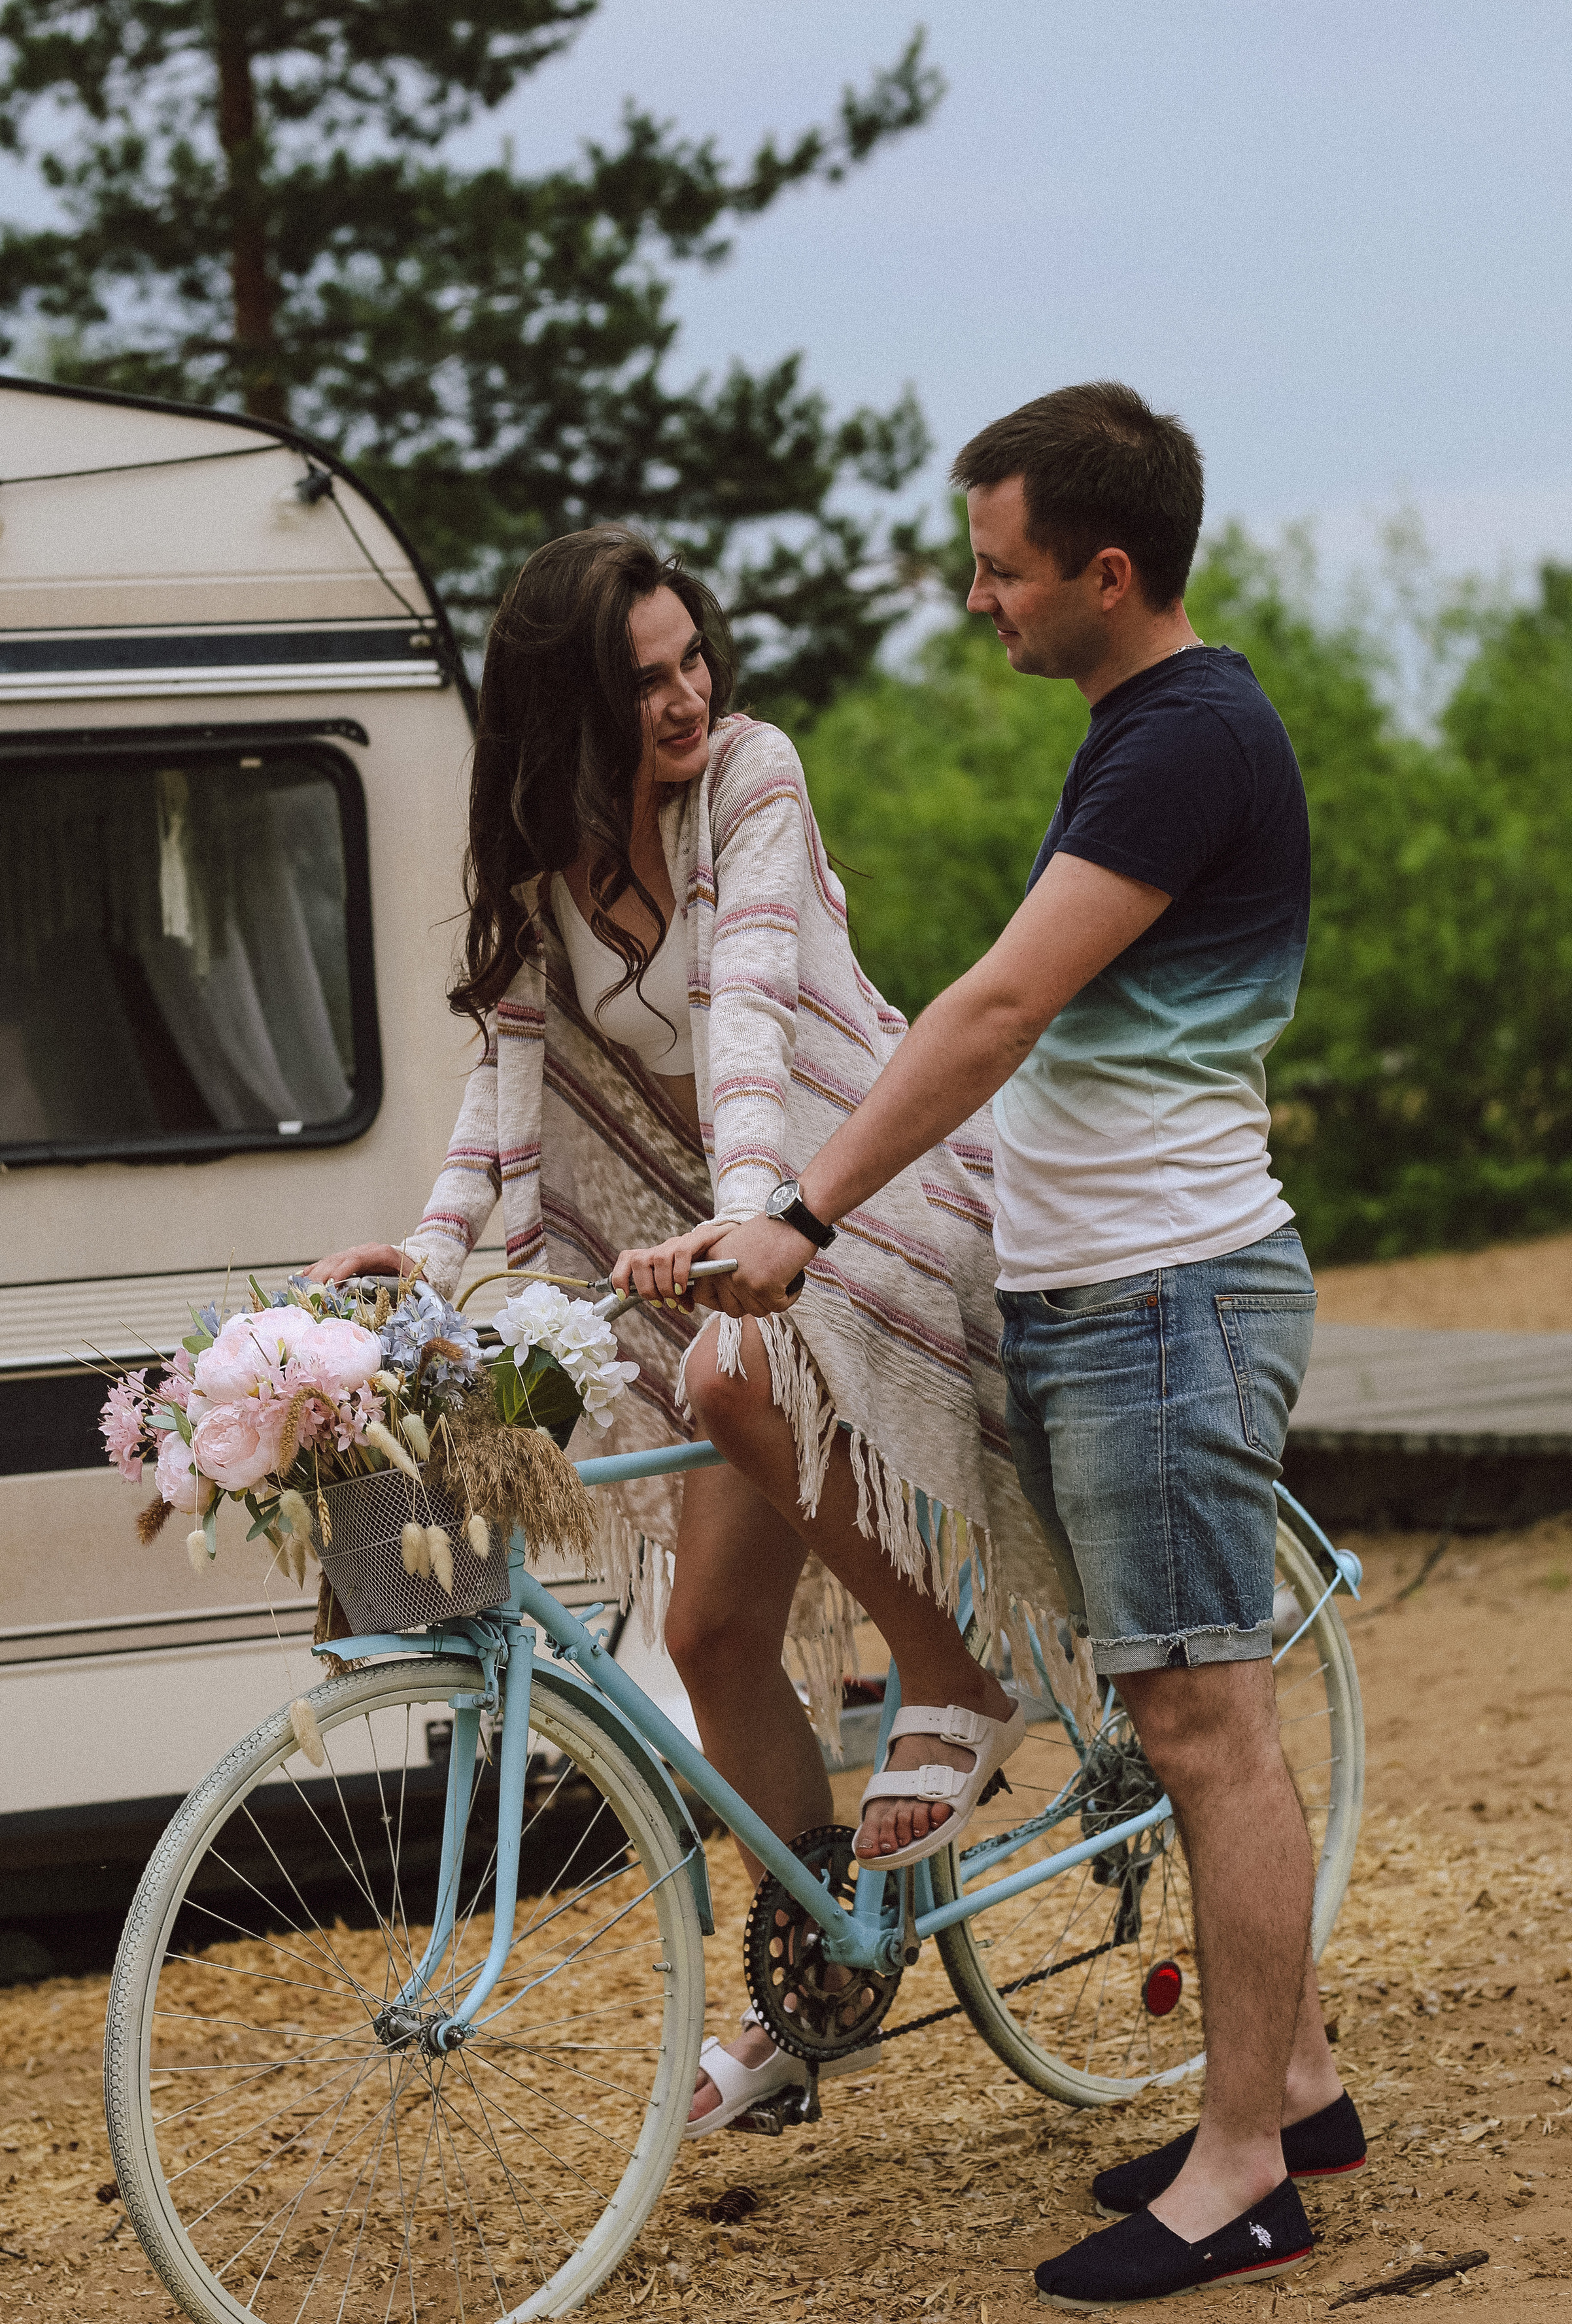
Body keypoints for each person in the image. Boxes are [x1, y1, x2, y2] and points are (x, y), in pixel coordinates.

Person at [677, 382, 1366, 2306]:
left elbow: (992, 1012)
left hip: (1166, 1298)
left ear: (1107, 572)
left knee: (1203, 1728)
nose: (979, 600)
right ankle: (1295, 2090)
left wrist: (804, 1218)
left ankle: (1245, 2175)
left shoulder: (1184, 740)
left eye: (1001, 570)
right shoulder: (1142, 733)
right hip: (1107, 1294)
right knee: (1183, 1715)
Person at [309, 525, 1053, 2140]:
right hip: (740, 1240)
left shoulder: (750, 781)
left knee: (725, 1371)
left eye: (692, 657)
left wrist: (751, 1222)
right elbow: (504, 1094)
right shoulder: (541, 865)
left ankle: (954, 1676)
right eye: (643, 680)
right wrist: (420, 1270)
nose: (686, 697)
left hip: (863, 1193)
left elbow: (755, 1010)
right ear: (566, 712)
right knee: (712, 1637)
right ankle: (813, 1990)